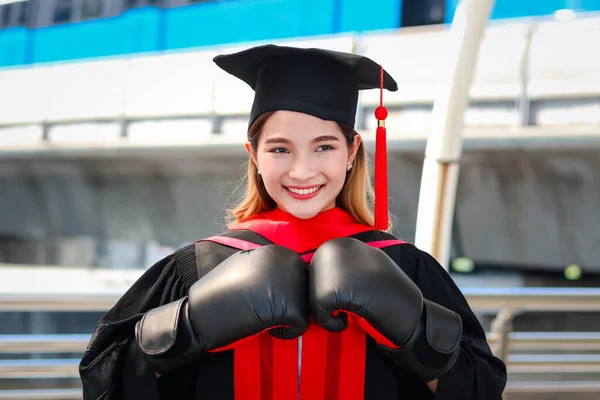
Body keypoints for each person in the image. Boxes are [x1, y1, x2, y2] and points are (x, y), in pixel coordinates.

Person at [79, 44, 507, 400]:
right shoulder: (199, 267)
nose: (302, 172)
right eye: (280, 149)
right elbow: (105, 381)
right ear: (253, 154)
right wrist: (191, 325)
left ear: (352, 150)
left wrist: (411, 328)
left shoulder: (404, 268)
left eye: (324, 147)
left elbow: (481, 389)